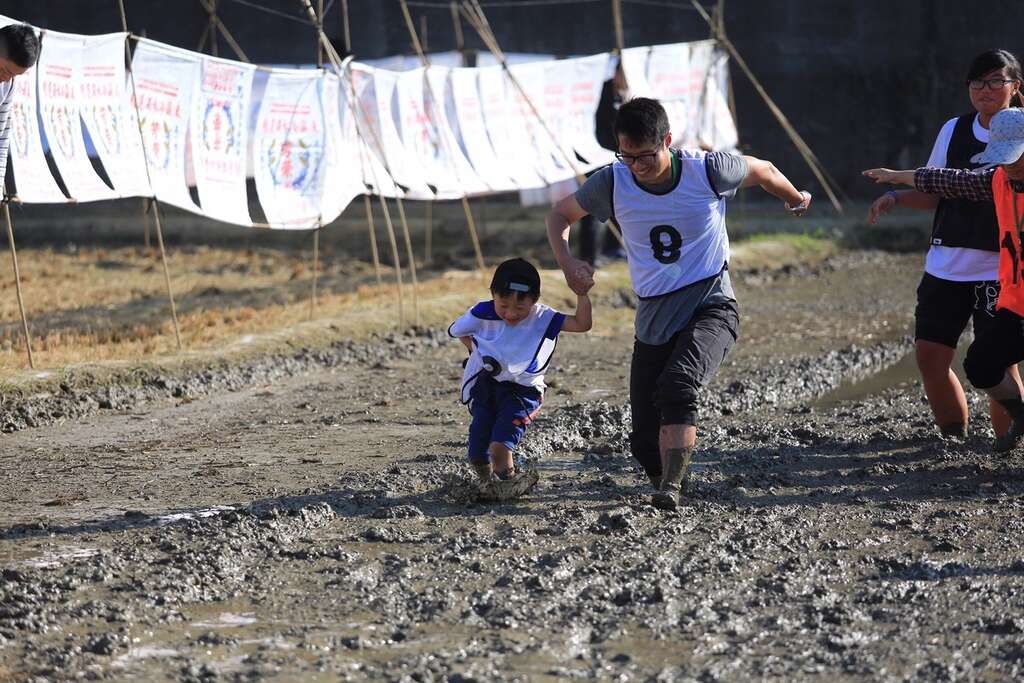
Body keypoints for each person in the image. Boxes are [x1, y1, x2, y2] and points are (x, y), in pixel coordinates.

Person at [546, 97, 811, 510]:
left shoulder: (706, 169)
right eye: (627, 156)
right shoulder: (612, 182)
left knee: (679, 386)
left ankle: (671, 489)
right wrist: (567, 263)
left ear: (666, 141)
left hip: (711, 302)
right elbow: (559, 216)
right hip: (654, 314)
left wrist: (795, 198)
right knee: (641, 439)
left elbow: (764, 171)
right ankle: (662, 477)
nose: (637, 166)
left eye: (646, 156)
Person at [866, 49, 1024, 440]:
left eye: (995, 81)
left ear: (1015, 87)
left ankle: (1010, 444)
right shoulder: (958, 133)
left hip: (1001, 272)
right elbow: (944, 182)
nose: (985, 90)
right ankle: (953, 440)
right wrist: (899, 190)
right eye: (977, 82)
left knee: (999, 364)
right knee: (931, 356)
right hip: (947, 263)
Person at [448, 257, 592, 500]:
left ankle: (509, 485)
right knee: (476, 450)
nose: (511, 313)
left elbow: (581, 324)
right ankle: (485, 485)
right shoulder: (481, 313)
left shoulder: (543, 318)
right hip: (488, 387)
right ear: (493, 294)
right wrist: (477, 353)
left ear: (534, 301)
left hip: (523, 393)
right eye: (503, 305)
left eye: (520, 308)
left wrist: (582, 295)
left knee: (499, 447)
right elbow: (458, 331)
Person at [0, 23, 40, 191]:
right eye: (4, 70)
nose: (6, 78)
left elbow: (2, 138)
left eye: (14, 75)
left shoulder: (8, 84)